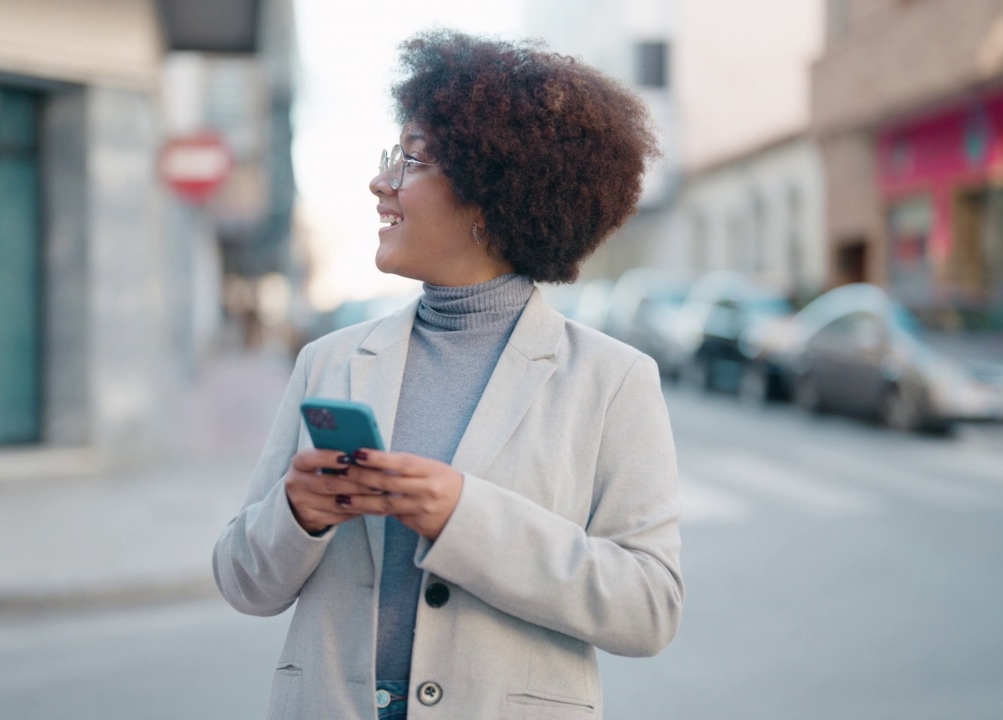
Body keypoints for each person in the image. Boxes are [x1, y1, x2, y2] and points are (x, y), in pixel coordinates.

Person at [213, 30, 683, 720]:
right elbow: (243, 582)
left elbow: (649, 607)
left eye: (410, 160)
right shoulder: (331, 360)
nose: (381, 182)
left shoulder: (613, 380)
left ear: (490, 194)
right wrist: (297, 515)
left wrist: (466, 516)